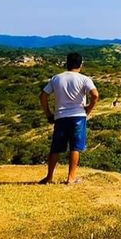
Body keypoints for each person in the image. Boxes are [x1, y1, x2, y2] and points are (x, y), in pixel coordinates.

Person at [38, 52, 99, 184]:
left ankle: (49, 177)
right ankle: (71, 178)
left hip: (60, 116)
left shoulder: (56, 78)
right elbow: (95, 95)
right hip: (78, 116)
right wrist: (88, 109)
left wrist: (48, 113)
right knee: (75, 147)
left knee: (55, 148)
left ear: (67, 63)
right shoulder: (85, 79)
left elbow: (43, 96)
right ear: (81, 64)